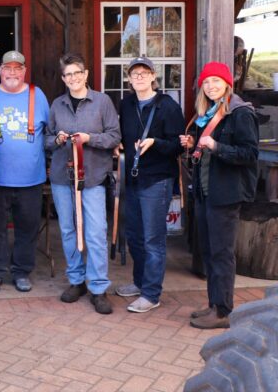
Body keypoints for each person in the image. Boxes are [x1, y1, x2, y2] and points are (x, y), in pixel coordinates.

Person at [179, 62, 258, 329]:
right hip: (205, 193)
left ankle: (223, 311)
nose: (211, 86)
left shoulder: (240, 113)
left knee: (222, 253)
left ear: (227, 83)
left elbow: (249, 154)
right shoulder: (208, 114)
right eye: (206, 82)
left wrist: (216, 146)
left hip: (225, 195)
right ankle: (214, 303)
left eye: (216, 81)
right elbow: (205, 152)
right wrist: (194, 144)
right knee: (210, 251)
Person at [45, 53, 120, 315]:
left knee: (96, 232)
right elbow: (46, 139)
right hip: (62, 177)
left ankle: (98, 287)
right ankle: (77, 281)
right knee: (68, 230)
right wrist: (57, 140)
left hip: (93, 177)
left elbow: (114, 136)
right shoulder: (57, 104)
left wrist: (90, 138)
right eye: (68, 74)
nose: (73, 78)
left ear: (86, 74)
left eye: (77, 73)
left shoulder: (102, 102)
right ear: (63, 78)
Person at [0, 51, 50, 293]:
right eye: (8, 68)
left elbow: (51, 133)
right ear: (0, 70)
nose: (13, 73)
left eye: (18, 68)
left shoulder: (38, 96)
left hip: (31, 180)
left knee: (27, 227)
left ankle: (21, 271)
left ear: (24, 71)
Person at [115, 57, 185, 313]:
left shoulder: (167, 106)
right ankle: (140, 282)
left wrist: (155, 143)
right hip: (133, 179)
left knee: (153, 239)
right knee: (134, 236)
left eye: (145, 73)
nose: (140, 77)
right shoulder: (126, 104)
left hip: (157, 179)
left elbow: (178, 145)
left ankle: (151, 294)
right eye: (135, 73)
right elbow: (121, 135)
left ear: (153, 76)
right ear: (129, 78)